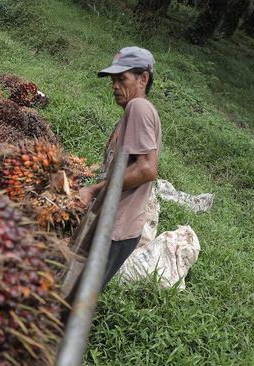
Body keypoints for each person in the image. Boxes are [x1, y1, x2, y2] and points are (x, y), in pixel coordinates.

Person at [79, 46, 162, 289]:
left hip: (116, 229)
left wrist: (94, 190)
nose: (114, 86)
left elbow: (147, 169)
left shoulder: (139, 108)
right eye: (113, 80)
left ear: (143, 78)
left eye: (122, 79)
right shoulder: (134, 111)